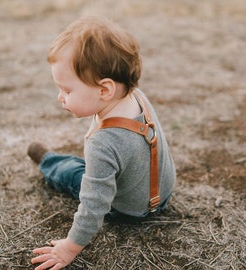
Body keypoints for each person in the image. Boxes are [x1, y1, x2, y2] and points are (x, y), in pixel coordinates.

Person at [28, 16, 176, 270]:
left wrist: (70, 248)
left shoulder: (103, 143)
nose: (60, 97)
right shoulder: (137, 97)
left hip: (129, 211)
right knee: (96, 170)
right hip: (162, 194)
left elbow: (94, 204)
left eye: (67, 90)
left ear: (105, 90)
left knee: (74, 173)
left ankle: (48, 162)